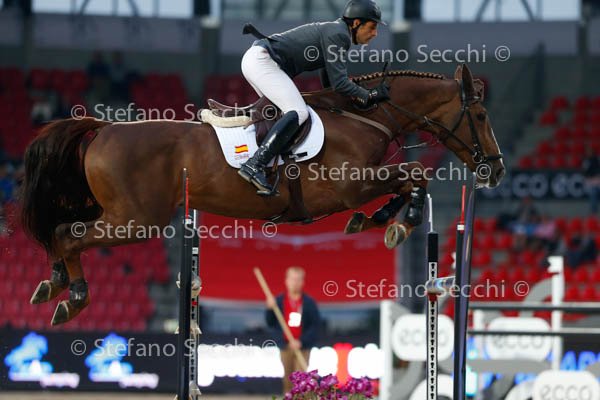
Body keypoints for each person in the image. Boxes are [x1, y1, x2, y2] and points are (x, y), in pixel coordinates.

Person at [238, 0, 389, 196]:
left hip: (259, 60)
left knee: (284, 116)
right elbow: (339, 83)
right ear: (356, 23)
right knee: (298, 112)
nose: (375, 33)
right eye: (372, 27)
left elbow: (329, 81)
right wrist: (369, 95)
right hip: (263, 61)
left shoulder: (336, 32)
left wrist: (350, 98)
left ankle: (270, 168)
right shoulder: (339, 35)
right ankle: (254, 165)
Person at [265, 266, 321, 394]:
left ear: (302, 282)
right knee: (288, 379)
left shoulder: (309, 303)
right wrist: (269, 309)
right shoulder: (278, 301)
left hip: (303, 347)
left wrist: (302, 341)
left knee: (301, 380)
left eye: (298, 279)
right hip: (285, 346)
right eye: (292, 279)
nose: (295, 282)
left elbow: (315, 326)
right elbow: (270, 323)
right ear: (286, 281)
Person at [582, 147, 600, 213]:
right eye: (588, 151)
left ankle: (594, 209)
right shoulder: (586, 160)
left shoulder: (596, 159)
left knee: (594, 193)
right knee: (593, 194)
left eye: (590, 151)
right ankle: (593, 210)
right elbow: (585, 170)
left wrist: (597, 175)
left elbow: (598, 168)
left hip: (596, 178)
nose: (588, 153)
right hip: (590, 180)